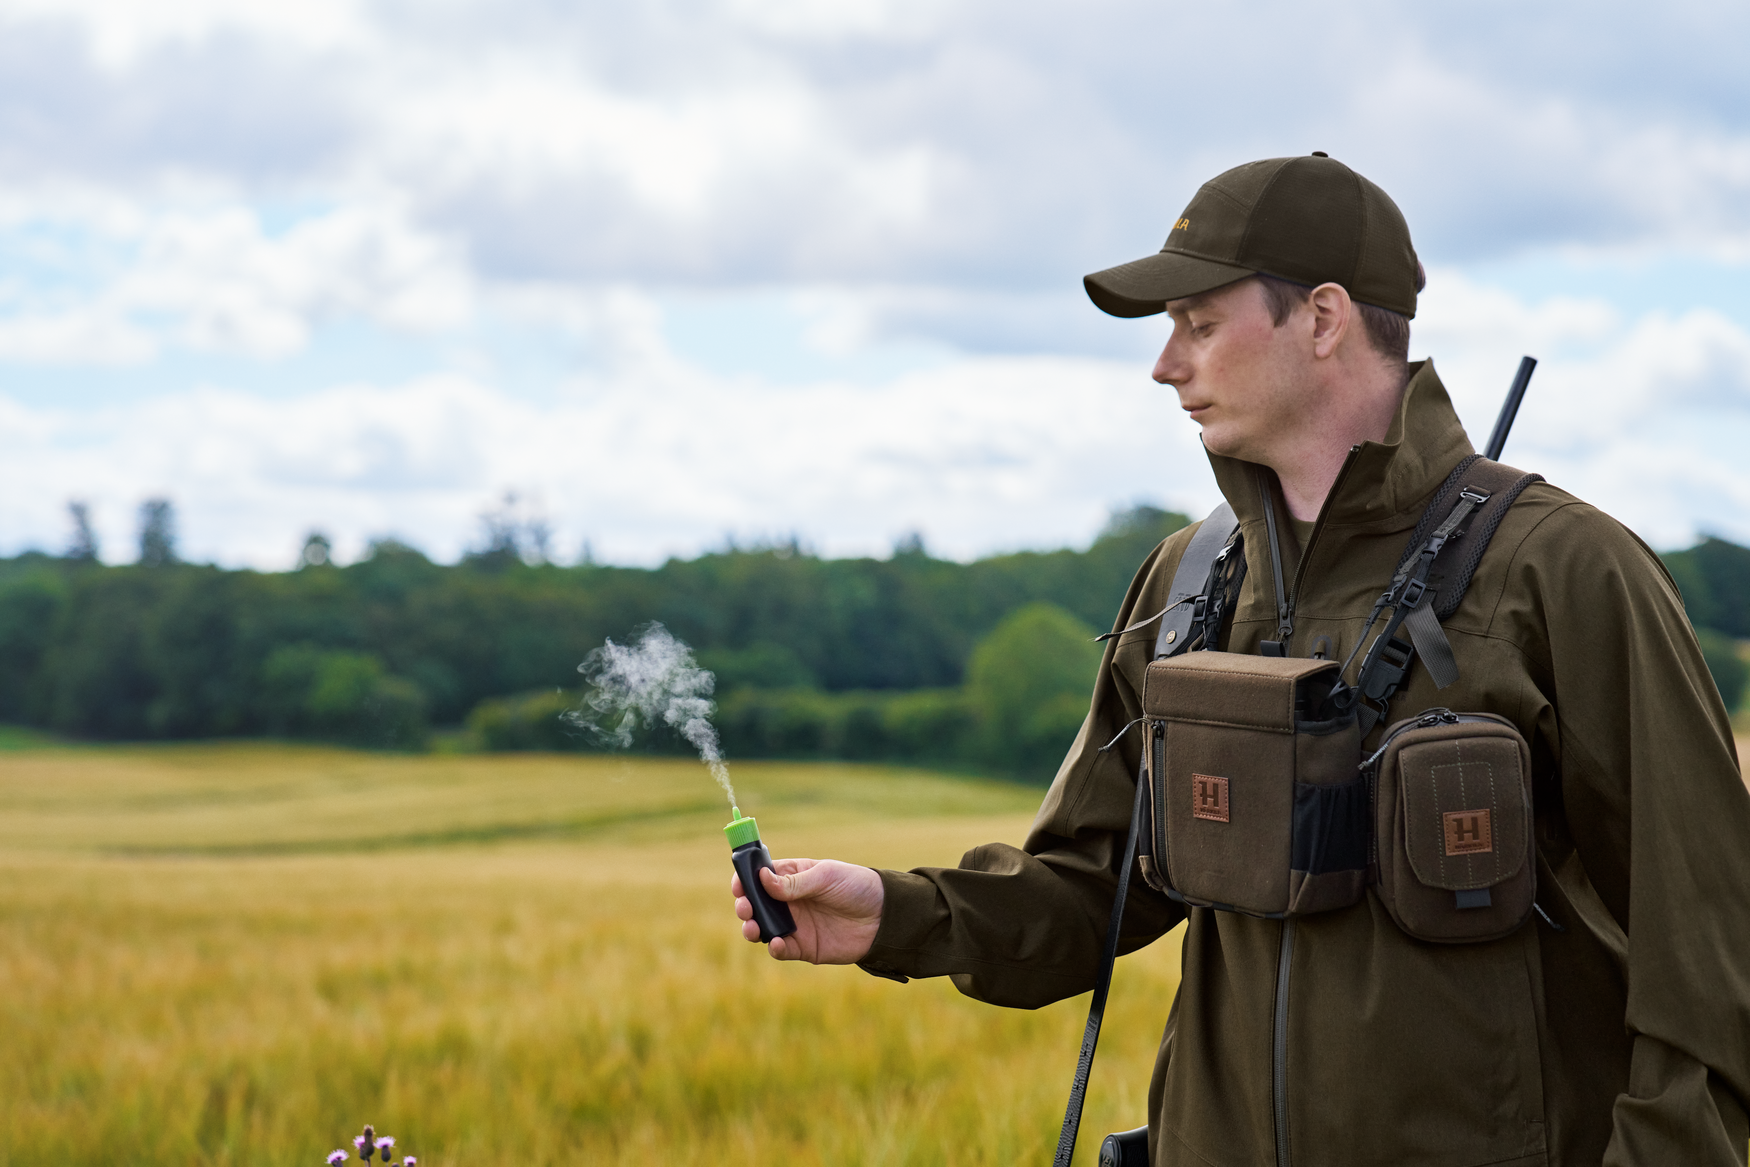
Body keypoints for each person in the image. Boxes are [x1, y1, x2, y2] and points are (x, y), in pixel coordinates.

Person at [730, 153, 1750, 1166]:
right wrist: (897, 914)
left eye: (1199, 323)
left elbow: (1711, 955)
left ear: (1321, 319)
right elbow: (1096, 882)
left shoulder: (1563, 571)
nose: (1165, 364)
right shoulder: (1186, 580)